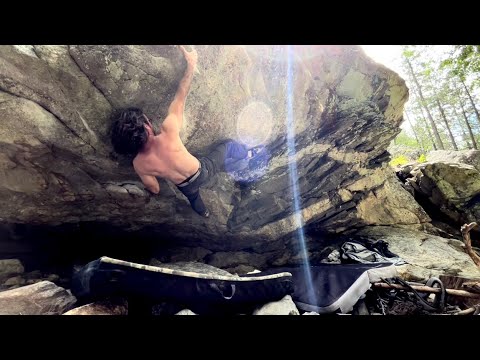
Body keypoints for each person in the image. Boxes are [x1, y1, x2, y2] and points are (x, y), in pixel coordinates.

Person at [110, 45, 263, 217]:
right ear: (147, 126)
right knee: (227, 146)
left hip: (184, 185)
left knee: (193, 198)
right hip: (202, 171)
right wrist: (191, 65)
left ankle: (204, 212)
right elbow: (181, 94)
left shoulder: (139, 165)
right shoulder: (168, 131)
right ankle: (247, 154)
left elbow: (155, 189)